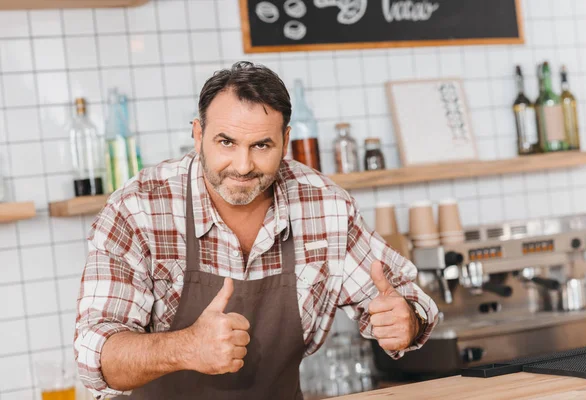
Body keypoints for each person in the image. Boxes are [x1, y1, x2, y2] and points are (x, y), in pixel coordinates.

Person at [74, 61, 439, 400]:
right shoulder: (139, 207)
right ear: (198, 133)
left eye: (262, 145)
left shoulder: (324, 205)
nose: (243, 166)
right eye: (226, 142)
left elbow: (407, 299)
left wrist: (406, 319)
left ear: (286, 139)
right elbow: (98, 355)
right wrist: (186, 348)